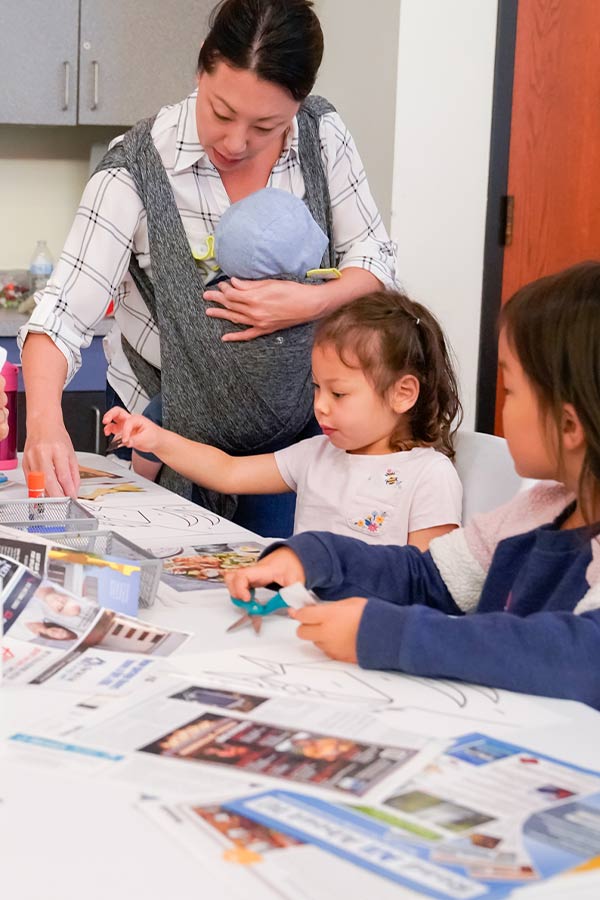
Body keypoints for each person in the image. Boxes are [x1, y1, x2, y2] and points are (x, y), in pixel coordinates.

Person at [19, 0, 396, 537]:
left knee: (283, 589)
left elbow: (375, 256)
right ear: (202, 65)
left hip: (300, 437)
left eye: (265, 125)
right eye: (221, 112)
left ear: (299, 103)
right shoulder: (133, 170)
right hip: (163, 430)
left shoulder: (322, 134)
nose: (236, 142)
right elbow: (59, 316)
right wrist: (44, 423)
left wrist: (312, 301)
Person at [224, 262, 600, 709]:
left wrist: (387, 633)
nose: (503, 403)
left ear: (569, 424)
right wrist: (313, 556)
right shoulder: (538, 509)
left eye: (511, 389)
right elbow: (429, 577)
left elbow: (581, 655)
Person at [104, 291, 463, 550]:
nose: (320, 406)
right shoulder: (316, 454)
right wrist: (157, 440)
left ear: (403, 393)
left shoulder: (429, 475)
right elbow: (228, 472)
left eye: (338, 394)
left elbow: (426, 581)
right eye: (317, 388)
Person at [130, 185, 332, 481]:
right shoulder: (317, 295)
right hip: (291, 418)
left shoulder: (219, 294)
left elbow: (185, 332)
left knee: (162, 412)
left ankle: (140, 479)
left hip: (214, 412)